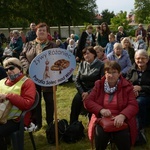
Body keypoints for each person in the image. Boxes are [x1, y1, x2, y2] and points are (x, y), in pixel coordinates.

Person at [84, 61, 139, 150]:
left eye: (114, 72)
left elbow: (133, 105)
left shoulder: (127, 86)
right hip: (101, 119)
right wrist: (101, 110)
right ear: (104, 74)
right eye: (108, 72)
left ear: (119, 73)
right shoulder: (98, 85)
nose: (111, 75)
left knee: (122, 137)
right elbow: (88, 102)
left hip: (121, 120)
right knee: (100, 135)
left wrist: (122, 115)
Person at [20, 22, 57, 130]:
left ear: (47, 33)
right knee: (36, 100)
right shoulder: (29, 44)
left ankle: (50, 123)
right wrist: (28, 67)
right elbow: (22, 56)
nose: (41, 32)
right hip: (33, 77)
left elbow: (58, 59)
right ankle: (38, 123)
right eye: (39, 30)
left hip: (48, 77)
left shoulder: (53, 45)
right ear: (36, 32)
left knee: (49, 100)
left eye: (43, 30)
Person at [0, 57, 36, 150]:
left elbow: (27, 104)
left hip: (18, 120)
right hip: (2, 117)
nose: (9, 71)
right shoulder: (2, 82)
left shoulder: (28, 82)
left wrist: (8, 96)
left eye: (11, 68)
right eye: (6, 69)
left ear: (19, 68)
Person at [70, 46, 104, 124]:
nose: (86, 56)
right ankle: (72, 126)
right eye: (84, 54)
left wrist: (89, 93)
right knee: (75, 103)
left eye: (88, 53)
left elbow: (101, 82)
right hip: (82, 90)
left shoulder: (101, 65)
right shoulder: (82, 64)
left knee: (92, 106)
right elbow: (77, 80)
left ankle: (92, 125)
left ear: (94, 54)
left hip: (95, 91)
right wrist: (82, 92)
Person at [126, 49, 150, 145]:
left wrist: (141, 88)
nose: (140, 60)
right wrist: (132, 89)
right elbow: (126, 82)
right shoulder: (132, 69)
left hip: (147, 94)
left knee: (138, 103)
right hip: (133, 94)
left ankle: (140, 127)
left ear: (147, 59)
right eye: (138, 58)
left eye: (142, 58)